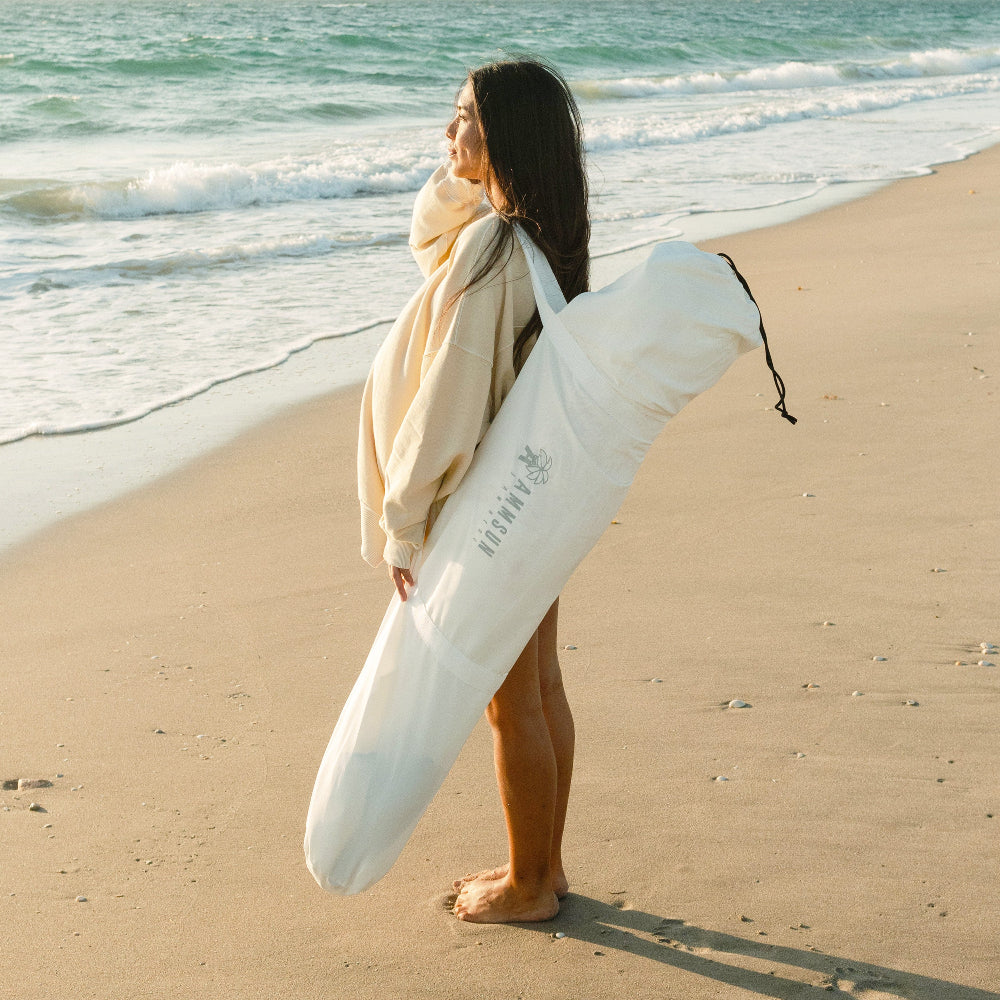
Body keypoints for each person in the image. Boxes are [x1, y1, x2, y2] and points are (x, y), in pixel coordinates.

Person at [356, 59, 589, 923]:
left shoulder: (495, 249)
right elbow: (428, 238)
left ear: (507, 141)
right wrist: (470, 166)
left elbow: (450, 401)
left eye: (462, 122)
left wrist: (404, 522)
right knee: (541, 684)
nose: (445, 134)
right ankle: (547, 866)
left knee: (507, 699)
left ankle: (530, 886)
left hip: (493, 502)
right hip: (538, 490)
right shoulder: (529, 235)